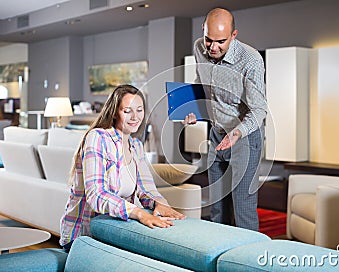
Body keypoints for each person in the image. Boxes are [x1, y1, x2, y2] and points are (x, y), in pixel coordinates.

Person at [60, 84, 185, 251]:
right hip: (84, 236)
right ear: (114, 113)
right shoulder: (97, 138)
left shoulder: (136, 146)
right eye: (127, 111)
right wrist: (139, 213)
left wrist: (159, 204)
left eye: (139, 110)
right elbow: (96, 194)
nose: (135, 117)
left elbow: (146, 189)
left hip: (114, 232)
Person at [184, 8, 267, 231]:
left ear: (233, 35)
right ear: (203, 30)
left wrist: (237, 133)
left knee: (243, 206)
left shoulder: (251, 61)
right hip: (217, 133)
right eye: (208, 39)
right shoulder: (199, 48)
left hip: (245, 137)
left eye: (220, 41)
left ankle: (247, 262)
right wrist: (194, 110)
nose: (213, 47)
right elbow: (202, 83)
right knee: (217, 206)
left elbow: (259, 110)